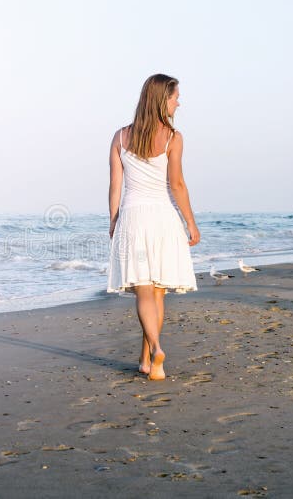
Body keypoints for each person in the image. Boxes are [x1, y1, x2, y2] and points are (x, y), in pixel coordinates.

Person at [106, 74, 200, 381]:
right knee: (157, 294)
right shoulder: (173, 137)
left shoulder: (120, 137)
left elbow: (115, 186)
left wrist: (113, 219)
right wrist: (190, 222)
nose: (178, 102)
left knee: (144, 291)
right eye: (175, 97)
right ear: (162, 99)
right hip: (163, 219)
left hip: (133, 217)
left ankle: (150, 355)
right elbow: (177, 184)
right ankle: (152, 354)